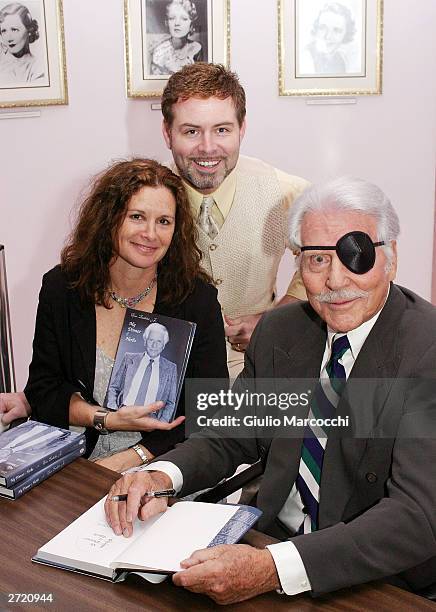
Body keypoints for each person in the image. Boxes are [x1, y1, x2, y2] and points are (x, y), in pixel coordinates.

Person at [105, 176, 436, 603]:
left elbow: (416, 517)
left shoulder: (427, 351)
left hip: (377, 578)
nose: (335, 279)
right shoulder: (283, 331)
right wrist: (160, 475)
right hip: (267, 540)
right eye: (316, 259)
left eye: (357, 256)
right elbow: (232, 434)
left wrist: (274, 568)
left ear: (391, 258)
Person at [23, 158, 227, 473]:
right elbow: (43, 389)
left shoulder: (196, 300)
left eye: (164, 221)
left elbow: (207, 411)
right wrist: (103, 418)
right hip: (75, 458)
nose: (150, 233)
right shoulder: (62, 288)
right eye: (136, 217)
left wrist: (133, 460)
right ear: (109, 218)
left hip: (162, 463)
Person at [161, 62, 310, 376]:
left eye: (222, 130)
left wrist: (278, 319)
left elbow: (332, 258)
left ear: (242, 129)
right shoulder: (141, 197)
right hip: (169, 374)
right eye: (191, 131)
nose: (207, 147)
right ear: (167, 133)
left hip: (261, 368)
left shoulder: (287, 192)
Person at [106, 323, 177, 421]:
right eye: (151, 340)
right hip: (123, 412)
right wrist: (113, 411)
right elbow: (114, 387)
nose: (154, 345)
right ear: (145, 341)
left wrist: (161, 423)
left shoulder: (171, 368)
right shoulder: (129, 358)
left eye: (159, 341)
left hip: (151, 419)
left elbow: (170, 402)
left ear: (163, 345)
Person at [299, 2, 356, 75]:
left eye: (337, 30)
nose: (328, 36)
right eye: (322, 28)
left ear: (346, 33)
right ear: (316, 28)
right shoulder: (305, 58)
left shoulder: (341, 59)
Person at [151, 0, 202, 75]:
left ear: (191, 24)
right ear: (166, 22)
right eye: (172, 18)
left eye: (184, 18)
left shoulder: (197, 48)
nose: (177, 23)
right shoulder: (159, 52)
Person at [0, 2, 44, 84]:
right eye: (4, 31)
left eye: (14, 29)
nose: (8, 38)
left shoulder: (38, 69)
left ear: (29, 30)